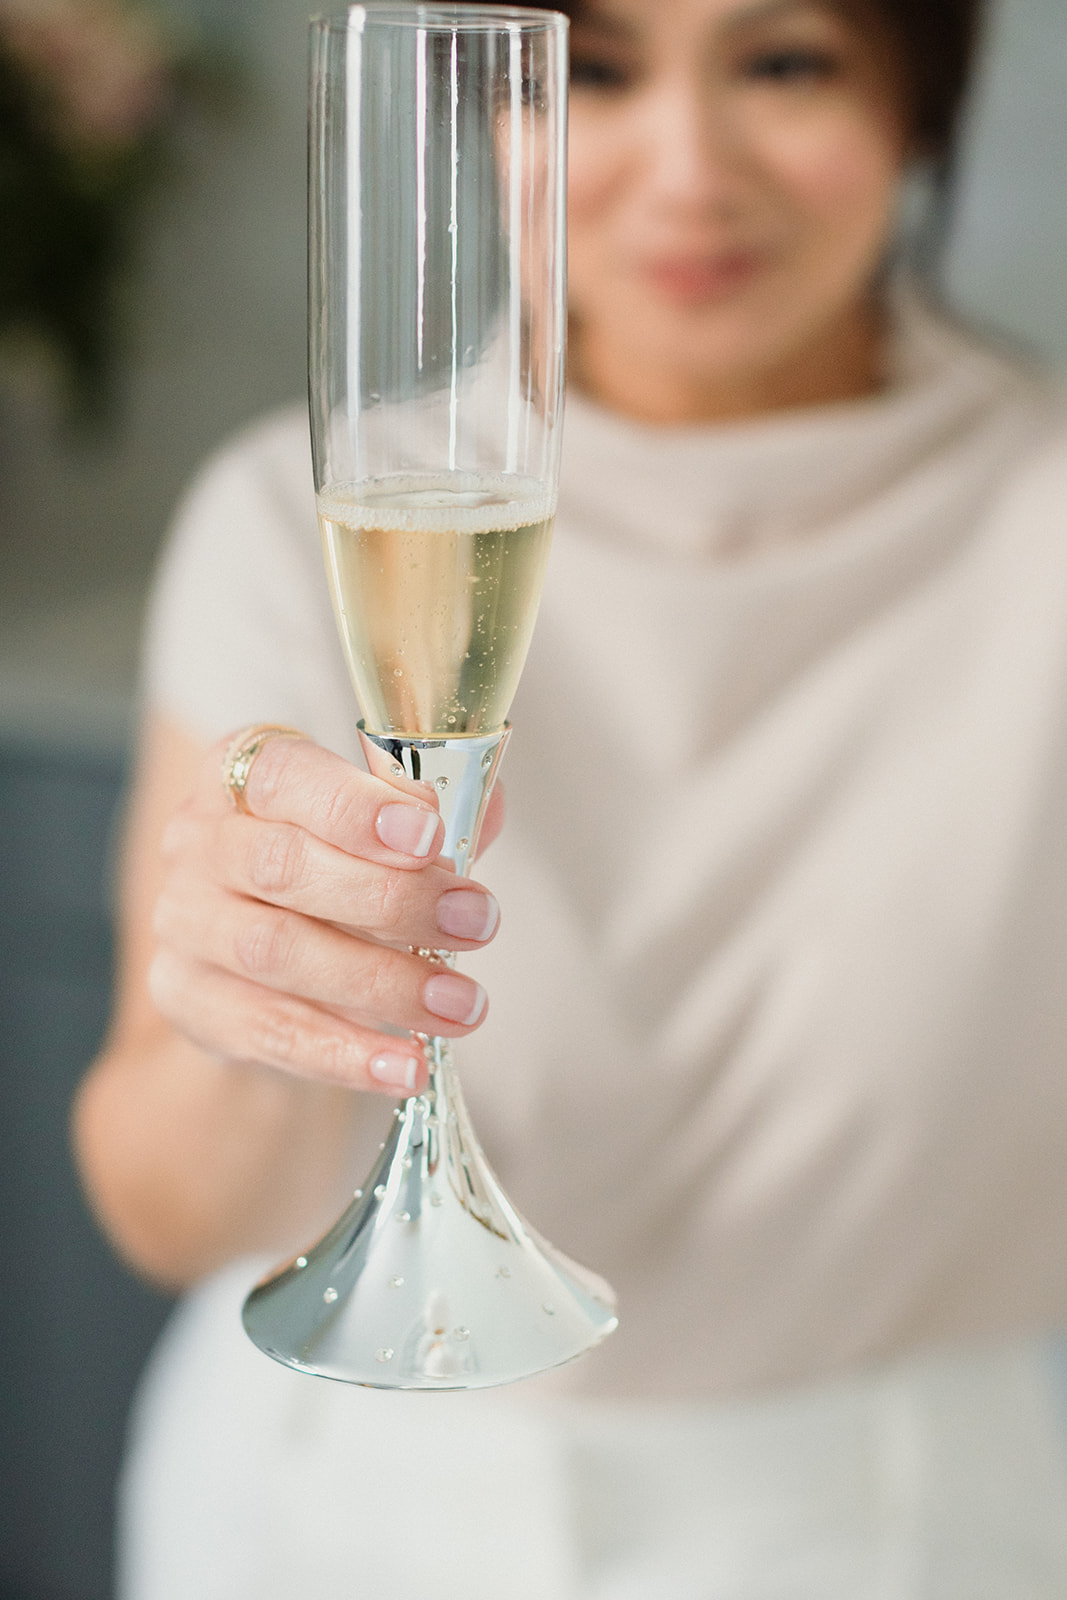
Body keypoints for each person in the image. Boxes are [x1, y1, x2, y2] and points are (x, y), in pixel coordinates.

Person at [76, 0, 1067, 1594]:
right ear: (493, 120)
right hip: (336, 1492)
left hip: (889, 1519)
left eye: (787, 62)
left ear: (925, 107)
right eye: (596, 74)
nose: (689, 171)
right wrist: (242, 1025)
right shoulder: (299, 508)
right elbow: (174, 1219)